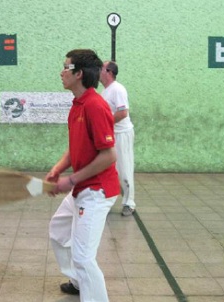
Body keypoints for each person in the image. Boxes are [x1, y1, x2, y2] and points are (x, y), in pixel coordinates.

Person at [46, 49, 120, 302]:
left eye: (65, 68)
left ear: (78, 73)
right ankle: (78, 282)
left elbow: (109, 155)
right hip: (81, 188)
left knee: (84, 257)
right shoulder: (77, 104)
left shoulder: (95, 106)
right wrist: (58, 169)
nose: (61, 72)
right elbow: (76, 146)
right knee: (58, 230)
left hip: (97, 191)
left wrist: (71, 180)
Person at [99, 61, 136, 216]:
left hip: (122, 134)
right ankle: (107, 202)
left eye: (101, 69)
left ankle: (129, 203)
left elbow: (122, 113)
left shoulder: (118, 89)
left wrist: (105, 125)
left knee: (124, 169)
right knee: (107, 169)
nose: (98, 72)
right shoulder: (105, 91)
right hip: (110, 134)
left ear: (109, 72)